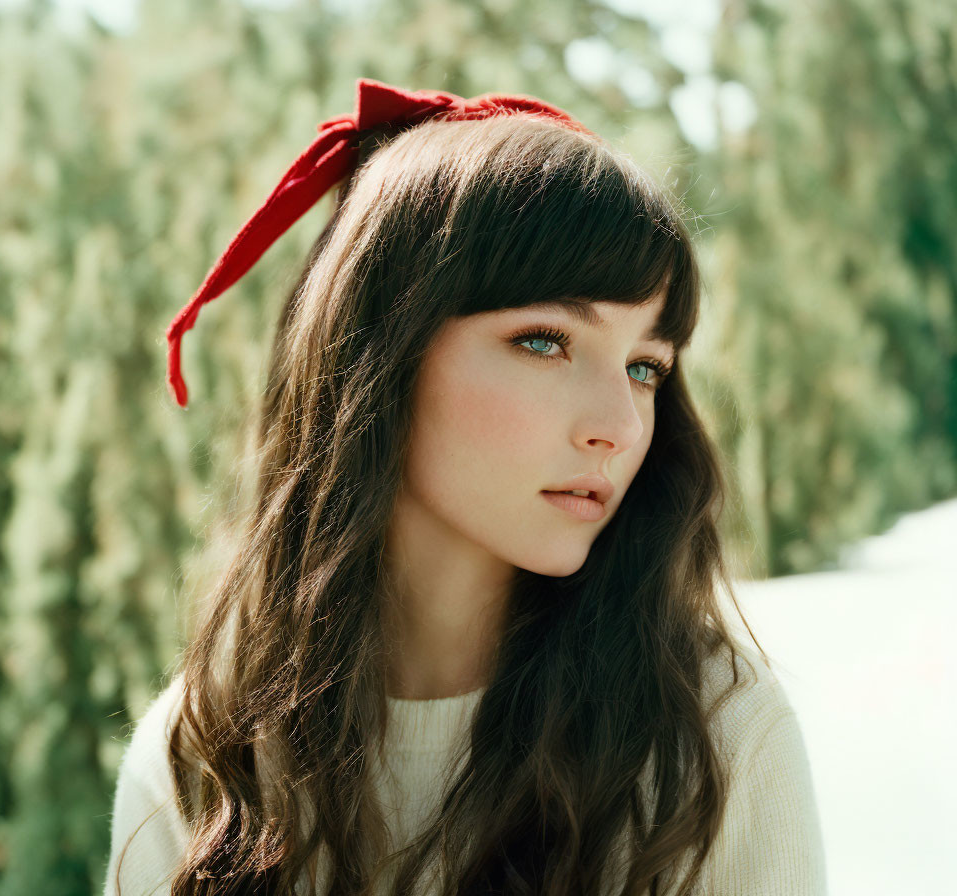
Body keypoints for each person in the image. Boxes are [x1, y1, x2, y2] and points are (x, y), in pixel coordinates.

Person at [103, 78, 827, 896]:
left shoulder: (715, 740)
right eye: (546, 342)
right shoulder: (204, 756)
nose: (620, 425)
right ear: (381, 355)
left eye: (645, 367)